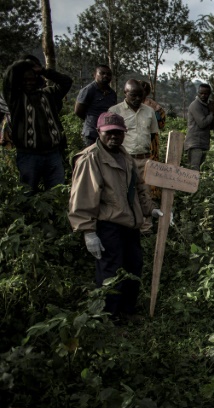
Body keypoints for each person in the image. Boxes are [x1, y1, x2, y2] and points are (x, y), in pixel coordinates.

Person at [68, 112, 162, 321]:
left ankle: (127, 311)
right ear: (98, 132)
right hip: (108, 225)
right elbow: (83, 196)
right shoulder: (90, 158)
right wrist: (88, 232)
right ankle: (108, 317)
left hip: (130, 223)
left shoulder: (124, 156)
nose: (114, 137)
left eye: (118, 133)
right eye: (109, 133)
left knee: (133, 266)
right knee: (111, 272)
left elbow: (137, 187)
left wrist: (150, 209)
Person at [2, 56, 72, 191]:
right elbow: (8, 80)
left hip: (53, 154)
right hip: (28, 155)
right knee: (27, 193)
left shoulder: (49, 94)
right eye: (25, 80)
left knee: (57, 193)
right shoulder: (16, 99)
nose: (29, 82)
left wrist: (43, 71)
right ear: (20, 81)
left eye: (32, 79)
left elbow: (66, 82)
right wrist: (23, 64)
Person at [108, 79, 159, 175]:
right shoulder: (114, 111)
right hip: (124, 160)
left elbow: (153, 135)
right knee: (126, 188)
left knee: (145, 189)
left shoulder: (149, 111)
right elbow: (108, 138)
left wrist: (154, 159)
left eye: (140, 96)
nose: (137, 99)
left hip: (145, 160)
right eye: (133, 95)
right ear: (125, 93)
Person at [74, 64, 117, 147]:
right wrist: (92, 120)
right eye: (102, 73)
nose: (105, 76)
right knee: (91, 158)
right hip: (91, 134)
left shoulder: (112, 93)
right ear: (95, 75)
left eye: (108, 74)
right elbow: (78, 111)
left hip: (107, 135)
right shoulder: (88, 90)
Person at [184, 83, 214, 171]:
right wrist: (212, 113)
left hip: (203, 143)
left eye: (206, 93)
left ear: (209, 94)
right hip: (195, 144)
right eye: (201, 93)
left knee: (198, 169)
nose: (203, 95)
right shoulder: (195, 105)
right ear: (198, 93)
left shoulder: (205, 106)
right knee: (194, 170)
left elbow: (210, 125)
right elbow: (202, 123)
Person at [139, 80, 166, 162]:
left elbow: (161, 124)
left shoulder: (153, 105)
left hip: (151, 141)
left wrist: (155, 112)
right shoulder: (128, 106)